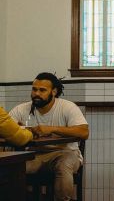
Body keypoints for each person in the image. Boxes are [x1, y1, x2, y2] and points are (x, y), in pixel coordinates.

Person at [9, 72, 89, 201]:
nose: (37, 94)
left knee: (64, 165)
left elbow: (84, 132)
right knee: (11, 168)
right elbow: (6, 129)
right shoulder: (21, 109)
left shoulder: (67, 107)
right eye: (34, 89)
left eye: (42, 90)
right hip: (33, 154)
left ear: (54, 91)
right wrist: (18, 129)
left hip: (65, 152)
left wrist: (52, 129)